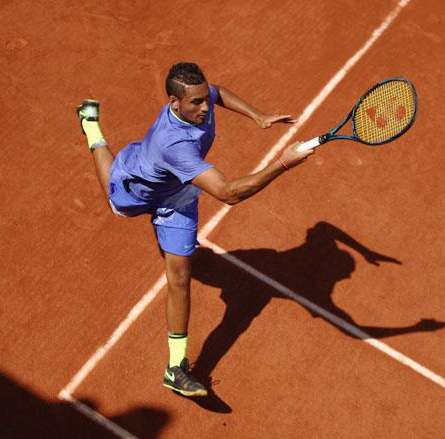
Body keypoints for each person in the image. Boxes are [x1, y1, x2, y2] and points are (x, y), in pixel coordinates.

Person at [76, 62, 313, 397]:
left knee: (180, 277)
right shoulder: (174, 144)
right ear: (175, 104)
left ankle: (176, 368)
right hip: (137, 186)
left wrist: (257, 115)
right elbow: (230, 193)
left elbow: (219, 93)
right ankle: (92, 129)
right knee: (113, 193)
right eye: (197, 103)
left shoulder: (200, 97)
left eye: (205, 99)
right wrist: (284, 162)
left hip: (177, 196)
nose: (206, 107)